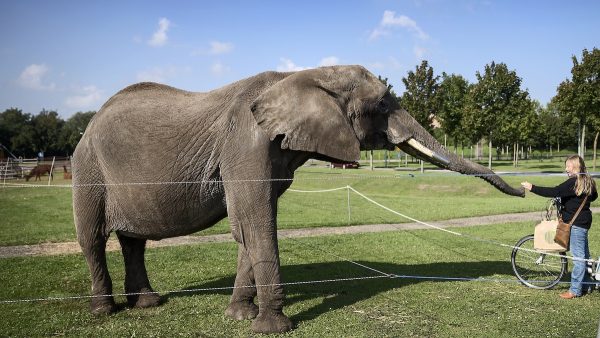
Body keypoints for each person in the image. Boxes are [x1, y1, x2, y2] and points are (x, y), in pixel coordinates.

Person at [521, 155, 598, 299]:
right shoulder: (588, 182)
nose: (566, 169)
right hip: (584, 222)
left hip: (575, 224)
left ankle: (575, 290)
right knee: (584, 256)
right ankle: (587, 285)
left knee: (579, 258)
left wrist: (532, 187)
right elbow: (594, 197)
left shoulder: (573, 183)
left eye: (568, 166)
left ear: (575, 167)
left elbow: (554, 191)